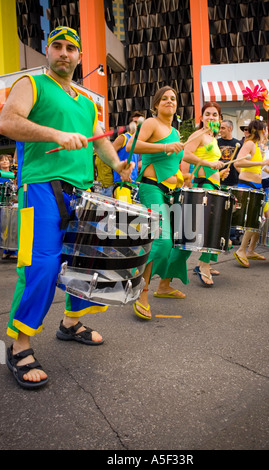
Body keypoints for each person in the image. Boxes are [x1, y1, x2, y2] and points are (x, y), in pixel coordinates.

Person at [0, 26, 133, 389]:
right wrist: (54, 134)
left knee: (83, 262)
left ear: (78, 56)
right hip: (40, 189)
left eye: (70, 48)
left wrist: (118, 164)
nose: (63, 53)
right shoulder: (31, 84)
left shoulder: (86, 101)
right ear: (47, 51)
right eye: (57, 46)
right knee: (40, 264)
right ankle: (19, 345)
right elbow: (8, 122)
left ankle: (70, 324)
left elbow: (100, 140)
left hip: (83, 192)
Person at [126, 86, 191, 320]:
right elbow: (130, 146)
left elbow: (181, 154)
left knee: (183, 240)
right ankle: (141, 292)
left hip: (171, 192)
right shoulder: (151, 123)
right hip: (151, 188)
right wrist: (164, 146)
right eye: (164, 98)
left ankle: (163, 286)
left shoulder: (174, 131)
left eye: (173, 98)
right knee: (162, 241)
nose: (169, 101)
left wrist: (208, 163)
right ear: (156, 104)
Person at [181, 102, 224, 286]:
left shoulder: (212, 136)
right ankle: (203, 265)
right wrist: (209, 165)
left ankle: (204, 262)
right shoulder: (199, 134)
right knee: (208, 227)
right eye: (208, 114)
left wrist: (219, 170)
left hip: (213, 183)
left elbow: (209, 160)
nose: (211, 117)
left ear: (219, 119)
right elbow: (185, 154)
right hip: (204, 185)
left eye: (215, 115)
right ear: (201, 117)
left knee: (215, 226)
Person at [232, 120, 269, 268]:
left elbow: (258, 167)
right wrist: (263, 163)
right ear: (260, 130)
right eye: (266, 130)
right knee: (255, 219)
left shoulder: (257, 146)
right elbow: (238, 162)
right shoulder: (249, 143)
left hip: (257, 185)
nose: (267, 133)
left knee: (264, 217)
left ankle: (250, 250)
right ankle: (241, 249)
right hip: (248, 185)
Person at [0, 154, 18, 260]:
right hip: (2, 203)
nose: (5, 162)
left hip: (10, 204)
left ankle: (9, 251)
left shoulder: (12, 175)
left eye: (6, 160)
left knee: (10, 226)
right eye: (2, 160)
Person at [218, 119, 241, 187]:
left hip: (234, 182)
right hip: (218, 180)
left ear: (230, 128)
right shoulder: (216, 142)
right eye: (220, 128)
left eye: (223, 128)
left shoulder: (238, 144)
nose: (220, 130)